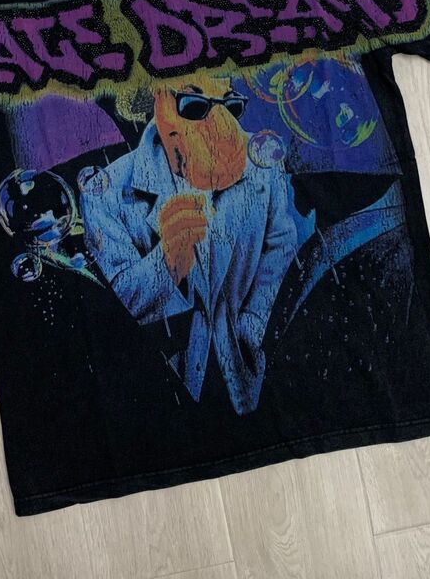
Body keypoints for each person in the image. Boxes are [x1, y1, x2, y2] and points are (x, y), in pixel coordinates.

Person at [81, 74, 298, 415]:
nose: (220, 128)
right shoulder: (106, 193)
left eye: (231, 106)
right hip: (158, 398)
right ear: (159, 100)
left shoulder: (262, 163)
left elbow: (281, 243)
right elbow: (112, 304)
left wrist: (253, 323)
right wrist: (166, 264)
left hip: (245, 383)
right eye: (194, 105)